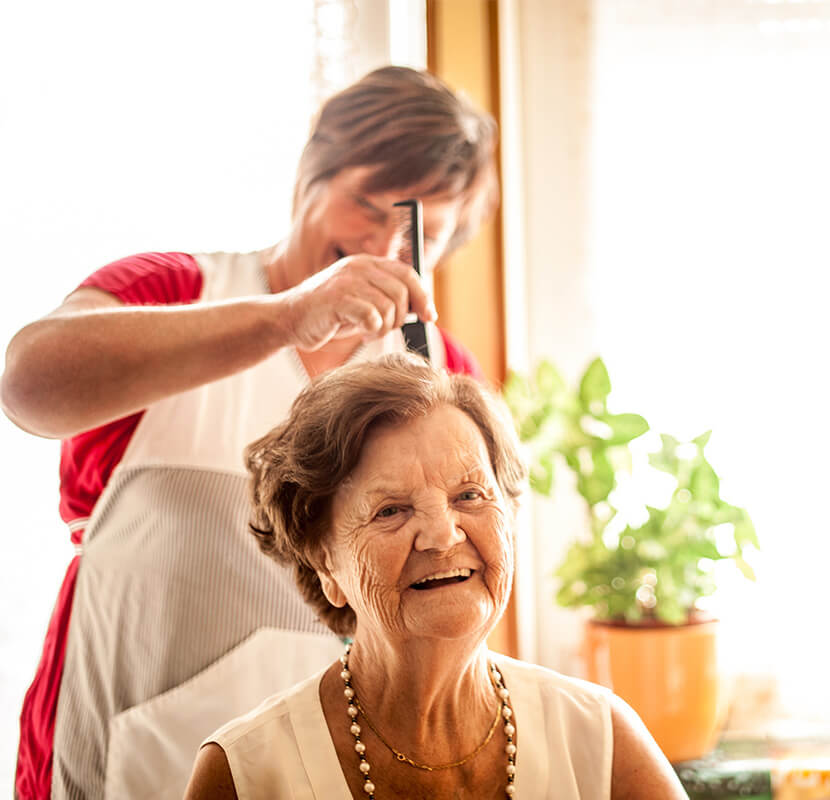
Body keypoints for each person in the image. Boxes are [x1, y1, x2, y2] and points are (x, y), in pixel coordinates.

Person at [1, 66, 497, 800]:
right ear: (309, 175)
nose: (386, 245)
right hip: (124, 744)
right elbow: (28, 385)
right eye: (368, 203)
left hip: (324, 765)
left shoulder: (438, 371)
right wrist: (286, 318)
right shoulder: (174, 292)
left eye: (428, 229)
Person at [183, 353, 688, 800]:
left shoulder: (601, 742)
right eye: (391, 510)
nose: (442, 537)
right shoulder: (243, 776)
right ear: (324, 562)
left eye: (469, 496)